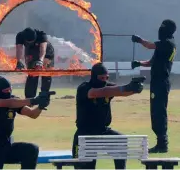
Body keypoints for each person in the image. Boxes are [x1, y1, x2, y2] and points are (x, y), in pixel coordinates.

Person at [72, 62, 144, 169]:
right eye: (101, 78)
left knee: (121, 140)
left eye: (107, 77)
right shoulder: (84, 88)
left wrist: (134, 89)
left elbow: (120, 92)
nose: (104, 80)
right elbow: (99, 92)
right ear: (94, 77)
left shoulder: (108, 87)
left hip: (102, 131)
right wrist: (125, 88)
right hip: (85, 134)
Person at [0, 75, 51, 169]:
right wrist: (33, 100)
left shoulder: (14, 100)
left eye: (10, 89)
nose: (9, 92)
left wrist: (41, 106)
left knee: (31, 149)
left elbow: (32, 114)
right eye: (6, 91)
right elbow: (9, 103)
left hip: (6, 147)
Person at [131, 19, 176, 153]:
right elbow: (151, 62)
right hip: (157, 82)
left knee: (158, 111)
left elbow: (150, 45)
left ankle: (162, 143)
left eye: (162, 28)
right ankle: (161, 142)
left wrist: (139, 40)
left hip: (161, 82)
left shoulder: (168, 44)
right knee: (156, 111)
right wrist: (139, 63)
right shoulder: (164, 45)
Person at [15, 27, 54, 98]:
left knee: (45, 73)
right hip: (31, 51)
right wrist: (19, 61)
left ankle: (44, 95)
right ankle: (29, 97)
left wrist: (40, 61)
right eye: (28, 41)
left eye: (32, 41)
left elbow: (43, 50)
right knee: (32, 73)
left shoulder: (41, 35)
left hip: (47, 52)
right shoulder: (20, 36)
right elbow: (19, 49)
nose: (30, 42)